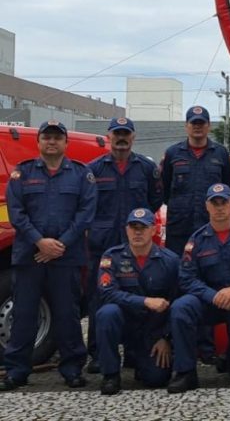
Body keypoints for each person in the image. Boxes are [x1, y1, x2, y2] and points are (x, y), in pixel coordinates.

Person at [1, 120, 96, 391]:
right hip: (30, 256)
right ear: (39, 142)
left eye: (57, 138)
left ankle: (72, 369)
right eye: (47, 137)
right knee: (24, 314)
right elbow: (16, 213)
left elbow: (85, 214)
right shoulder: (23, 173)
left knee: (68, 315)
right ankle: (17, 371)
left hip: (66, 257)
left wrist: (59, 245)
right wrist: (40, 242)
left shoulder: (81, 175)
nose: (52, 142)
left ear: (65, 143)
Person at [167, 183, 230, 393]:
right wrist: (213, 295)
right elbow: (186, 277)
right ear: (207, 206)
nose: (220, 207)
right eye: (215, 203)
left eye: (224, 202)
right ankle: (186, 372)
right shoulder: (196, 240)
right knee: (181, 308)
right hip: (208, 302)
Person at [86, 116, 163, 373]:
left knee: (137, 296)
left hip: (136, 244)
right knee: (100, 299)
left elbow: (153, 202)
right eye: (117, 133)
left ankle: (133, 351)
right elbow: (86, 206)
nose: (121, 138)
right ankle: (98, 353)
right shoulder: (94, 170)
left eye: (126, 133)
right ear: (109, 136)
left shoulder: (146, 168)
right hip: (102, 243)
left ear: (133, 137)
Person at [96, 208, 180, 395]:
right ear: (126, 230)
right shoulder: (112, 257)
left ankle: (141, 363)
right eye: (133, 227)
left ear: (154, 230)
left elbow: (176, 302)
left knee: (156, 379)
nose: (138, 232)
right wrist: (145, 301)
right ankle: (110, 375)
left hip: (153, 331)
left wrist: (166, 338)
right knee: (106, 313)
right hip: (124, 325)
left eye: (143, 227)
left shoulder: (170, 261)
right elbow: (107, 293)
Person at [161, 106, 230, 254]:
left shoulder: (221, 154)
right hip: (179, 228)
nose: (197, 127)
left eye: (202, 123)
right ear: (186, 126)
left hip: (211, 226)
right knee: (178, 271)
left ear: (209, 126)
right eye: (194, 123)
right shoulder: (172, 153)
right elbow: (164, 190)